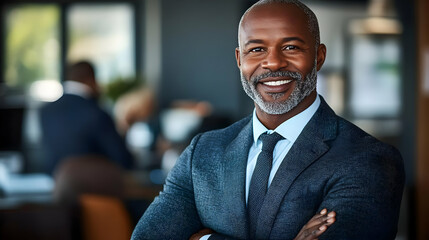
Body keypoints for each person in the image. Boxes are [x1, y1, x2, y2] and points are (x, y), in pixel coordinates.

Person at [131, 0, 405, 239]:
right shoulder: (202, 153)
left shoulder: (368, 160)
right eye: (256, 50)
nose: (273, 63)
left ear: (319, 56)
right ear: (240, 60)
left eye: (290, 47)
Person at [40, 61, 134, 174]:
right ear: (91, 80)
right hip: (94, 189)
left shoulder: (45, 111)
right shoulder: (96, 113)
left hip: (56, 188)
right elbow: (123, 160)